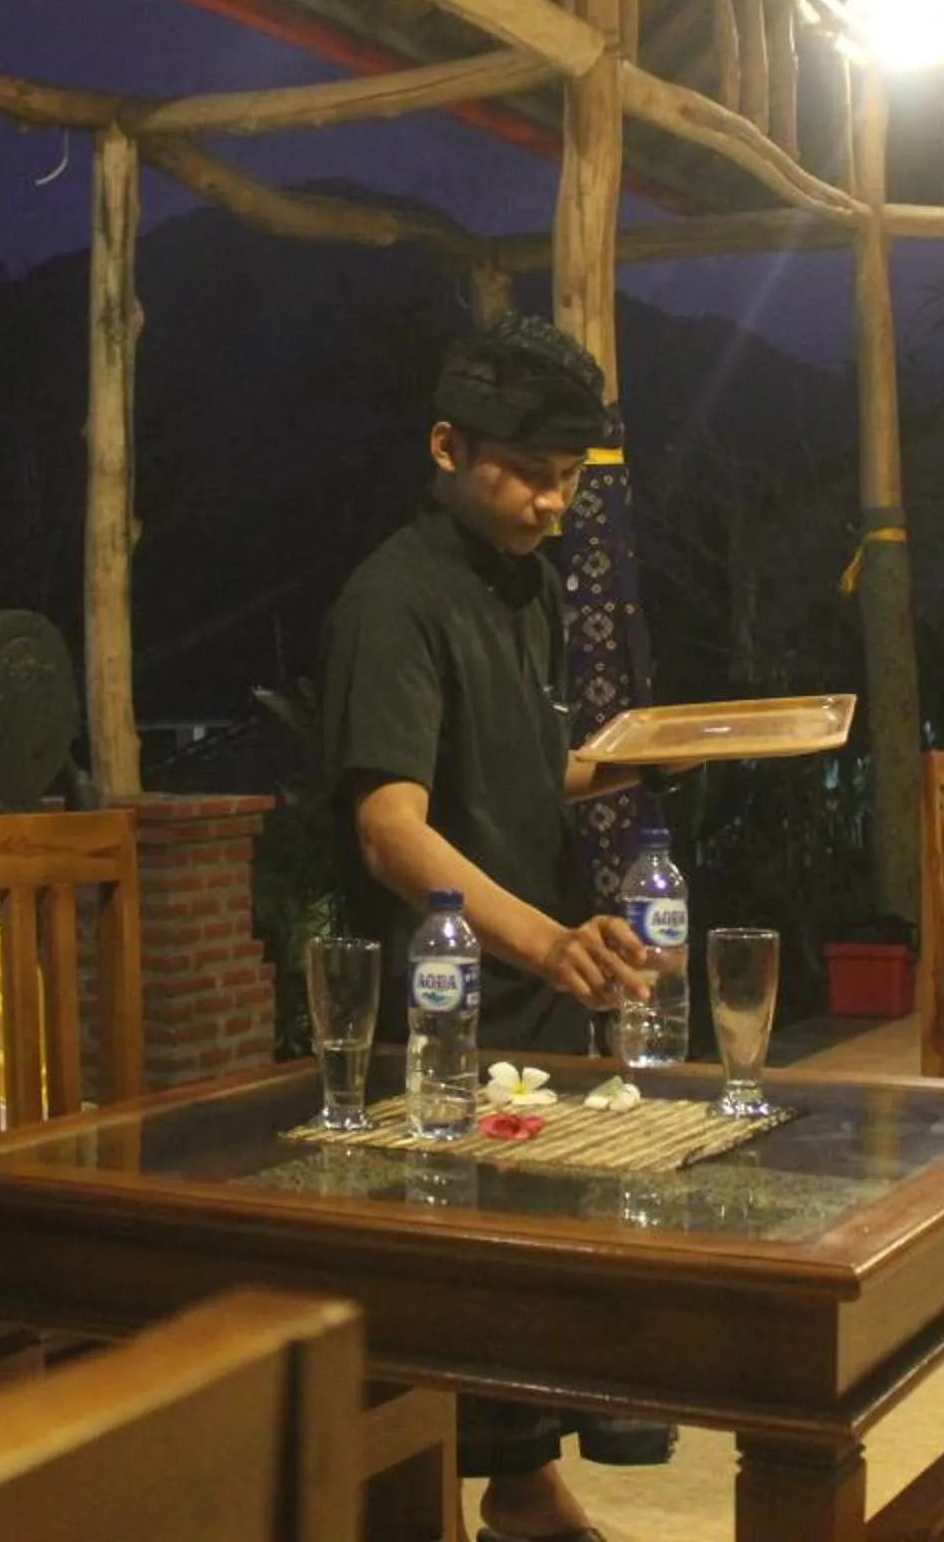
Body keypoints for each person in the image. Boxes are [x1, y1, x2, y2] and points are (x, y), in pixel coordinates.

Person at [319, 315, 670, 1542]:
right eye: (526, 472)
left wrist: (655, 753)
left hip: (520, 980)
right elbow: (391, 828)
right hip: (433, 997)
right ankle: (435, 1507)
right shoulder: (394, 599)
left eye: (567, 477)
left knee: (540, 1270)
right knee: (443, 1295)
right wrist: (551, 942)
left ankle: (524, 1493)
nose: (551, 503)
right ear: (446, 447)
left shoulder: (526, 588)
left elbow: (517, 770)